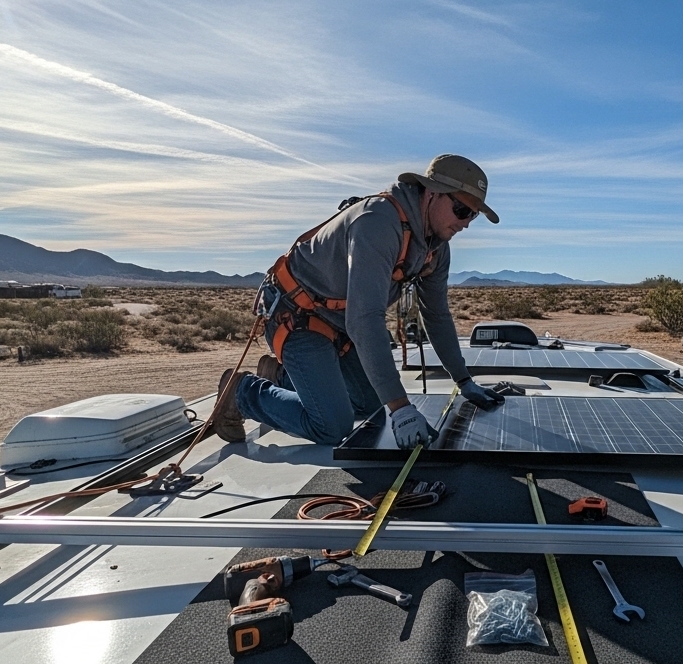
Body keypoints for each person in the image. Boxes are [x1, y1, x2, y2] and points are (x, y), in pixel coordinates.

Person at [212, 154, 505, 449]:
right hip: (298, 315)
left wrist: (463, 380)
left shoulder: (435, 249)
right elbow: (364, 319)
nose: (465, 223)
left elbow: (437, 315)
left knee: (370, 405)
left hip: (340, 325)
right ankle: (242, 392)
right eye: (461, 210)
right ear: (432, 193)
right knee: (332, 426)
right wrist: (401, 408)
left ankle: (283, 376)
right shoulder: (378, 222)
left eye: (473, 215)